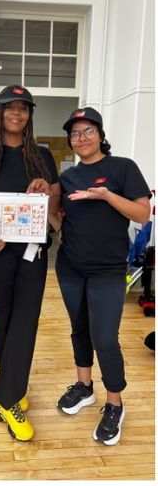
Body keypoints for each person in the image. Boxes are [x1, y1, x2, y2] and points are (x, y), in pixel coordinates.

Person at [54, 106, 151, 446]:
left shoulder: (122, 168)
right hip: (70, 266)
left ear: (100, 134)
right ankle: (84, 387)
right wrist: (59, 228)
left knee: (105, 338)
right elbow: (58, 214)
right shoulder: (67, 177)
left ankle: (115, 403)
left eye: (87, 131)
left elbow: (142, 213)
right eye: (75, 134)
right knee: (79, 328)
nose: (81, 138)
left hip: (108, 270)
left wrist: (107, 195)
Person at [0, 86, 60, 442]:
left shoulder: (42, 156)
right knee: (3, 318)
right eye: (11, 107)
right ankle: (12, 391)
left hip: (33, 250)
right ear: (0, 113)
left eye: (23, 108)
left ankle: (8, 398)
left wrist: (44, 192)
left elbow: (55, 211)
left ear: (29, 115)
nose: (17, 113)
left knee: (26, 318)